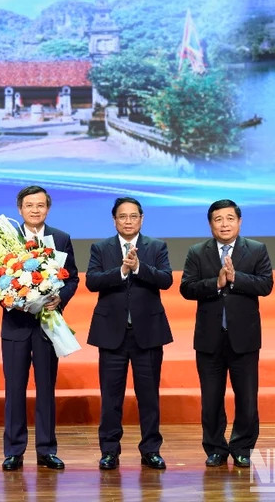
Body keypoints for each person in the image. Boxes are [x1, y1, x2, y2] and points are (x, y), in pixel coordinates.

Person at [179, 199, 273, 468]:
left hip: (244, 338)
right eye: (218, 219)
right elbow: (187, 288)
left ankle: (243, 447)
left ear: (239, 222)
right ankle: (216, 448)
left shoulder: (256, 250)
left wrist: (236, 278)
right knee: (211, 399)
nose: (224, 224)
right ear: (210, 224)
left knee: (246, 397)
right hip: (209, 338)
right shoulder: (198, 252)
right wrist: (216, 283)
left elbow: (266, 285)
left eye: (230, 218)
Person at [85, 197, 173, 471]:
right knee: (111, 397)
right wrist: (122, 271)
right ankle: (109, 451)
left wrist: (138, 268)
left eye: (133, 216)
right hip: (112, 333)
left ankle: (151, 450)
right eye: (122, 217)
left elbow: (166, 279)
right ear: (114, 220)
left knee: (149, 396)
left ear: (141, 219)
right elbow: (92, 281)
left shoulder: (156, 246)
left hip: (148, 333)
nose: (128, 221)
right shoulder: (101, 248)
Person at [1, 185, 79, 471]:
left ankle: (46, 449)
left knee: (46, 388)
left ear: (48, 208)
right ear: (20, 209)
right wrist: (13, 300)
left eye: (41, 205)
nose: (35, 210)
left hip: (48, 324)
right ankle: (13, 450)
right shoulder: (5, 240)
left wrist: (60, 298)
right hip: (16, 324)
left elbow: (72, 280)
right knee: (15, 389)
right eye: (29, 205)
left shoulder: (60, 238)